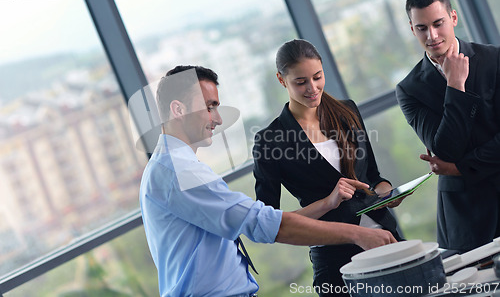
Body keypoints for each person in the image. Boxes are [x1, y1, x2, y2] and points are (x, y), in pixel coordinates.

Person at [139, 65, 396, 297]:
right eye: (209, 107)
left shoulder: (168, 167)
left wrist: (329, 204)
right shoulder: (179, 171)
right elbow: (265, 223)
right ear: (178, 109)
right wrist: (358, 235)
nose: (217, 119)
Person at [252, 39, 404, 296]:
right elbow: (269, 224)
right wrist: (328, 202)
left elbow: (374, 177)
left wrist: (387, 192)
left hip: (386, 240)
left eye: (317, 77)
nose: (312, 88)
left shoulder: (347, 110)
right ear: (281, 80)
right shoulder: (269, 140)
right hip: (336, 261)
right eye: (300, 82)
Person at [396, 0, 500, 253]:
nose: (431, 35)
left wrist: (460, 167)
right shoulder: (409, 90)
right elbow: (445, 149)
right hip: (467, 216)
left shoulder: (494, 59)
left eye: (438, 24)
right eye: (421, 28)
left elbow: (453, 158)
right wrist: (455, 86)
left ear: (453, 18)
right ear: (412, 29)